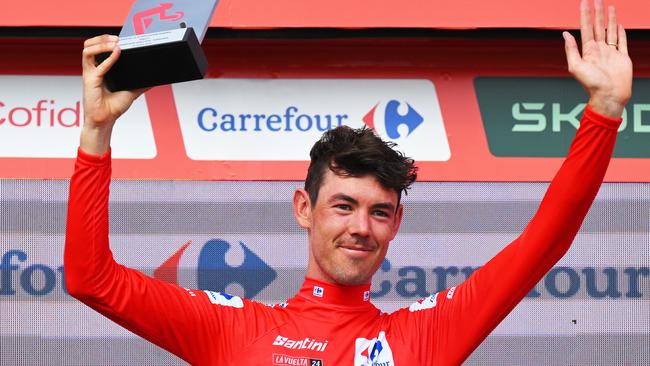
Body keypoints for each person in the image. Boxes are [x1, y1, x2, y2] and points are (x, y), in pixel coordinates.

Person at [65, 1, 632, 365]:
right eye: (343, 205)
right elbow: (91, 280)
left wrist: (603, 111)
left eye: (379, 211)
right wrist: (97, 131)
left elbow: (543, 243)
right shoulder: (229, 329)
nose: (361, 227)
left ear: (396, 223)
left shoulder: (421, 338)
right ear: (303, 208)